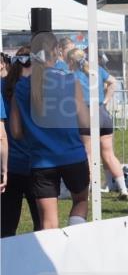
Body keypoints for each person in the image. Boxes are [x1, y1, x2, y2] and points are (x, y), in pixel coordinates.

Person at [8, 33, 90, 230]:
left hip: (40, 160)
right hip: (73, 155)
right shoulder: (71, 81)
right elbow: (85, 121)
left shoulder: (21, 87)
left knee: (48, 221)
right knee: (80, 201)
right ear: (57, 52)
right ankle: (74, 242)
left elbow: (16, 132)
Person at [67, 49, 128, 197]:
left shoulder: (72, 76)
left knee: (88, 155)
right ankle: (123, 188)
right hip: (103, 113)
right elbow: (113, 82)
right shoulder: (98, 70)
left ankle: (88, 191)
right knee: (109, 154)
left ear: (71, 61)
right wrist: (106, 100)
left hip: (86, 115)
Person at [1, 48, 40, 235]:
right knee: (42, 225)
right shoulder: (38, 89)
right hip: (35, 163)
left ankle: (6, 263)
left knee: (7, 227)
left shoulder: (3, 86)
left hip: (9, 165)